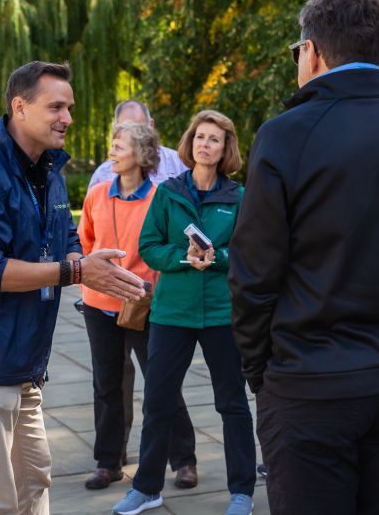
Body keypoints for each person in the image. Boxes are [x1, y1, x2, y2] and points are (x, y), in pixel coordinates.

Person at [229, 0, 379, 514]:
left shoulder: (286, 134)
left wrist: (262, 372)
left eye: (295, 53)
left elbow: (254, 274)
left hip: (311, 383)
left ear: (311, 51)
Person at [0, 60, 146, 515]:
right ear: (19, 107)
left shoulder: (49, 172)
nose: (67, 117)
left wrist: (91, 266)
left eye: (70, 107)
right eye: (56, 107)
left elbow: (65, 242)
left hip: (24, 366)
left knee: (34, 485)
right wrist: (77, 272)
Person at [113, 110, 255, 515]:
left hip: (221, 314)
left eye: (214, 139)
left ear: (226, 148)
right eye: (199, 138)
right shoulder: (168, 192)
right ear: (190, 145)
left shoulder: (239, 197)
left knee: (232, 403)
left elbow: (248, 252)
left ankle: (241, 491)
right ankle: (146, 488)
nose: (205, 144)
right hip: (171, 312)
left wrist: (218, 257)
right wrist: (183, 258)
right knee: (157, 402)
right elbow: (149, 246)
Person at [78, 122, 198, 491]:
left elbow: (177, 247)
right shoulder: (97, 194)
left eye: (119, 146)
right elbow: (83, 244)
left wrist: (155, 285)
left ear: (143, 154)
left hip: (147, 304)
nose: (111, 152)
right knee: (107, 385)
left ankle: (184, 461)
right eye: (112, 145)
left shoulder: (163, 196)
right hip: (99, 304)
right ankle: (108, 462)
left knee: (162, 383)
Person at [88, 100, 187, 189]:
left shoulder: (179, 165)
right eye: (125, 128)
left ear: (151, 125)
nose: (133, 136)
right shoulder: (102, 176)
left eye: (140, 129)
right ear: (115, 129)